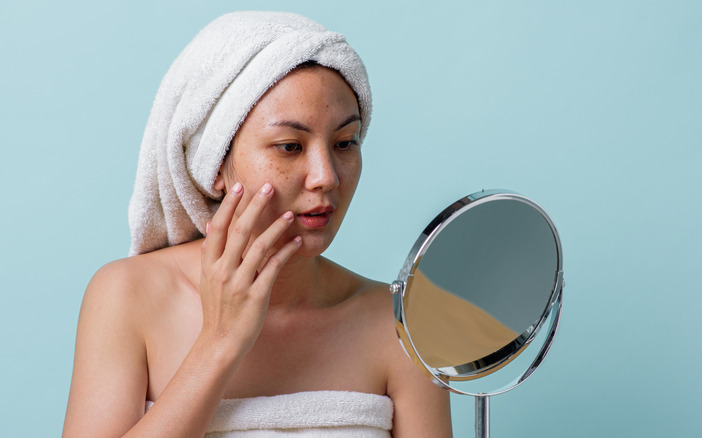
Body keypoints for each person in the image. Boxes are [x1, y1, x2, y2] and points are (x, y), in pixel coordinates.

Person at [63, 11, 452, 437]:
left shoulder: (400, 324)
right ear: (215, 165)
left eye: (344, 143)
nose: (326, 176)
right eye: (289, 146)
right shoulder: (127, 297)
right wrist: (220, 340)